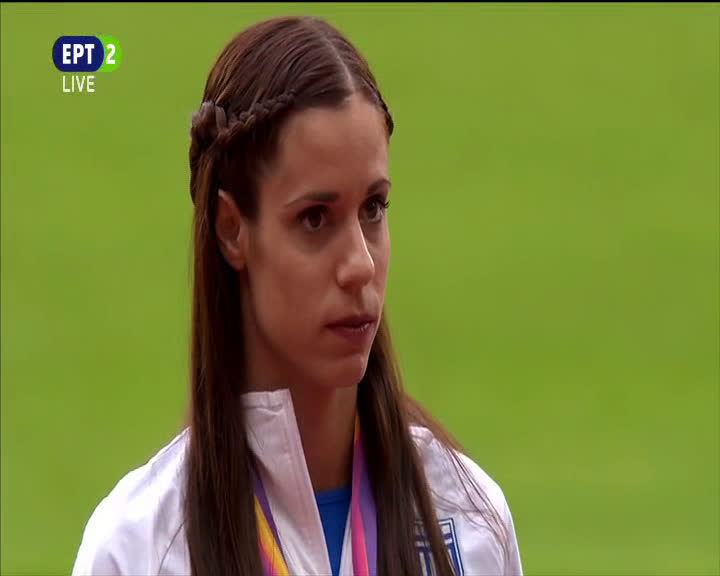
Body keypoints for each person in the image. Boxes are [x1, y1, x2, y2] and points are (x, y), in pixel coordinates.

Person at [71, 15, 523, 576]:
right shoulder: (140, 549)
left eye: (373, 208)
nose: (360, 265)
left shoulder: (470, 522)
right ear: (232, 230)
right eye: (315, 219)